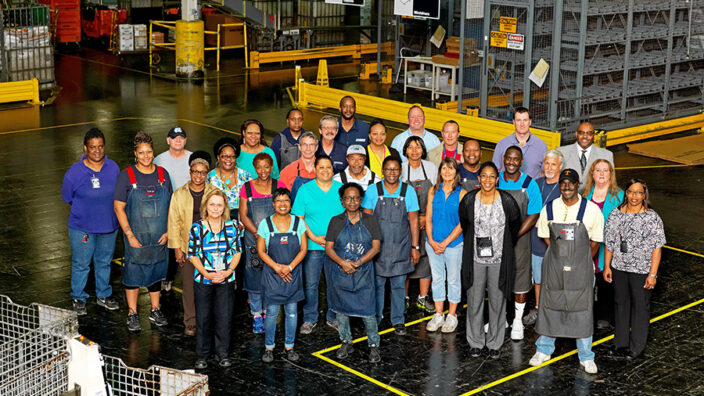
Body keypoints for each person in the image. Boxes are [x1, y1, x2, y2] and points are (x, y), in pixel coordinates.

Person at [529, 169, 604, 374]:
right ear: (560, 184)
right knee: (550, 305)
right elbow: (545, 235)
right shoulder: (550, 208)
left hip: (581, 268)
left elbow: (596, 240)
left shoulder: (591, 210)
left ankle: (586, 356)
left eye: (571, 182)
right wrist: (559, 255)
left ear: (578, 184)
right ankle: (543, 350)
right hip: (554, 267)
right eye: (563, 182)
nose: (567, 186)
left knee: (583, 309)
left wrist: (580, 260)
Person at [460, 162, 522, 358]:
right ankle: (476, 342)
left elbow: (515, 225)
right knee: (475, 299)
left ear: (497, 179)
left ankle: (495, 343)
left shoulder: (507, 200)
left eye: (491, 176)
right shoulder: (469, 200)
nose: (487, 180)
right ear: (479, 179)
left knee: (497, 302)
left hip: (499, 259)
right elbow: (465, 223)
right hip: (475, 259)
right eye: (484, 176)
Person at [114, 131, 173, 332]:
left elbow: (172, 206)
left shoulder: (163, 175)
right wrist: (129, 235)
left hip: (160, 237)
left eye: (149, 152)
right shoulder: (127, 175)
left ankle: (155, 310)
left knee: (156, 272)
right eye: (142, 152)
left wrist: (169, 231)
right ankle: (132, 312)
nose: (146, 156)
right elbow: (118, 208)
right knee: (133, 274)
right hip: (136, 238)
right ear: (135, 154)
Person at [603, 179, 665, 360]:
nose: (634, 196)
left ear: (644, 195)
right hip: (619, 268)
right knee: (620, 305)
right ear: (626, 193)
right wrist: (607, 266)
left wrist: (652, 274)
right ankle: (620, 343)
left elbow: (657, 248)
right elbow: (610, 243)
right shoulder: (615, 214)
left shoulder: (651, 217)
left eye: (639, 193)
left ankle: (636, 347)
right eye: (631, 192)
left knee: (640, 307)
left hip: (641, 270)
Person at [62, 128, 120, 315]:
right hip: (82, 228)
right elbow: (67, 197)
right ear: (85, 148)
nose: (97, 151)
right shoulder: (74, 172)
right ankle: (78, 297)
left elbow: (119, 194)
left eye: (101, 146)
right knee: (81, 263)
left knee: (104, 262)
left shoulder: (113, 168)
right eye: (93, 147)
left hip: (108, 227)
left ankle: (103, 295)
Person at [362, 156, 421, 335]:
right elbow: (366, 220)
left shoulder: (408, 191)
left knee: (398, 285)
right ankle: (376, 318)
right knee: (378, 285)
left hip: (401, 246)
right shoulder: (373, 191)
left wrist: (415, 247)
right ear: (383, 171)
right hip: (377, 248)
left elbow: (413, 221)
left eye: (395, 170)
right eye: (388, 169)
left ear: (400, 172)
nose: (392, 173)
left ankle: (398, 320)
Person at [325, 183, 382, 362]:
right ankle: (346, 341)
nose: (352, 201)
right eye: (348, 198)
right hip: (342, 273)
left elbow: (376, 247)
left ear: (361, 200)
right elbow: (329, 248)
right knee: (341, 312)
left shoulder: (370, 220)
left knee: (369, 312)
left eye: (356, 198)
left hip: (364, 273)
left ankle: (374, 345)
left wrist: (357, 263)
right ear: (342, 201)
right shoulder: (335, 221)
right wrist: (343, 263)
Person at [187, 190, 242, 369]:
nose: (215, 208)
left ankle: (222, 353)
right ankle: (202, 355)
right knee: (203, 318)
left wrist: (228, 272)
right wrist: (206, 273)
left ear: (225, 207)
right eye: (212, 204)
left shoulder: (232, 226)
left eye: (219, 205)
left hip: (226, 279)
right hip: (203, 279)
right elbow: (192, 255)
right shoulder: (197, 227)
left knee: (224, 318)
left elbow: (237, 252)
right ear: (205, 207)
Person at [291, 155, 345, 334]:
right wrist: (313, 237)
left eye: (328, 167)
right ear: (315, 169)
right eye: (321, 167)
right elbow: (298, 218)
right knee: (311, 285)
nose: (325, 170)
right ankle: (310, 318)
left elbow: (347, 216)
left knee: (334, 283)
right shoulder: (305, 190)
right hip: (313, 247)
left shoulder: (340, 189)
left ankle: (333, 316)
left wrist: (334, 238)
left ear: (333, 169)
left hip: (335, 247)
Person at [167, 151, 218, 336]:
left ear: (207, 174)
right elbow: (173, 222)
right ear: (190, 172)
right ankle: (190, 321)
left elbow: (224, 218)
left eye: (202, 172)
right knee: (189, 286)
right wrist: (177, 250)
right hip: (188, 247)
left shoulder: (215, 193)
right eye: (195, 172)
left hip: (211, 247)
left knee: (209, 285)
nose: (198, 176)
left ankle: (207, 319)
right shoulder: (179, 194)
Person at [497, 145, 543, 341]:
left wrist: (514, 234)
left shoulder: (529, 183)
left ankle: (517, 320)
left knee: (520, 277)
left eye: (516, 159)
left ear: (521, 162)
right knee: (496, 277)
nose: (511, 163)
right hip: (495, 238)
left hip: (520, 240)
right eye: (508, 158)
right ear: (503, 159)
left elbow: (534, 215)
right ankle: (499, 319)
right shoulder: (495, 178)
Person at [258, 188, 308, 363]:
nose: (282, 204)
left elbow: (303, 249)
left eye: (286, 200)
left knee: (292, 312)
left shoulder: (298, 223)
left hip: (292, 274)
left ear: (290, 203)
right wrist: (277, 268)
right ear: (273, 204)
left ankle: (289, 346)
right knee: (271, 312)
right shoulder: (265, 224)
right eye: (279, 201)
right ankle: (269, 347)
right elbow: (261, 251)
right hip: (272, 274)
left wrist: (290, 267)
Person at [239, 153, 287, 334]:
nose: (263, 171)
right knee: (254, 278)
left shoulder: (279, 186)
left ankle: (269, 314)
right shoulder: (247, 188)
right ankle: (257, 316)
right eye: (259, 167)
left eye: (266, 166)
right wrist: (259, 235)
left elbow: (284, 210)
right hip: (254, 238)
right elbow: (243, 215)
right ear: (254, 167)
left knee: (272, 277)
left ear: (271, 166)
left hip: (275, 240)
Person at [424, 158, 467, 333]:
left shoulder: (462, 193)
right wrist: (432, 241)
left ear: (456, 172)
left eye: (451, 169)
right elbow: (428, 218)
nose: (447, 172)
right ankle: (439, 314)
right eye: (444, 168)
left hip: (454, 245)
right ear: (440, 171)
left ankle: (452, 315)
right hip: (433, 244)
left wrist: (445, 243)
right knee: (438, 279)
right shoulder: (433, 191)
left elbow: (463, 223)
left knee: (454, 280)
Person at [523, 149, 564, 326]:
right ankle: (539, 308)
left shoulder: (564, 187)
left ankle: (554, 311)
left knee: (554, 279)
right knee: (538, 278)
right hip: (533, 238)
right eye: (546, 163)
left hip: (554, 240)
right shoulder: (535, 184)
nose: (549, 167)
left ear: (560, 166)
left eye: (553, 164)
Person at [583, 159, 624, 330]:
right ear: (592, 173)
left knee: (606, 282)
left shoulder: (619, 195)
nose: (601, 174)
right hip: (589, 244)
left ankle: (606, 315)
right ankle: (587, 315)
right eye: (598, 170)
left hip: (610, 247)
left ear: (611, 174)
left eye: (605, 170)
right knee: (588, 282)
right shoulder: (585, 195)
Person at [401, 136, 438, 312]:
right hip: (406, 220)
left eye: (418, 147)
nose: (414, 151)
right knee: (406, 257)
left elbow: (435, 194)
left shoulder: (430, 168)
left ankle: (423, 297)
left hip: (427, 219)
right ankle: (404, 297)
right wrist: (412, 220)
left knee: (426, 258)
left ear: (423, 150)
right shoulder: (401, 169)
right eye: (410, 147)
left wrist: (426, 218)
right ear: (405, 150)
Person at [155, 127, 193, 292]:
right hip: (167, 208)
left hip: (188, 208)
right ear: (168, 140)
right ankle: (168, 277)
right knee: (170, 245)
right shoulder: (159, 160)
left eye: (181, 137)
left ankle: (192, 276)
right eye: (174, 137)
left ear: (185, 140)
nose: (178, 140)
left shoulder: (192, 158)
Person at [492, 107, 548, 179]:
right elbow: (495, 170)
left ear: (530, 122)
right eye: (518, 120)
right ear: (513, 122)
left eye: (525, 120)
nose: (522, 124)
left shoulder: (541, 146)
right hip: (507, 189)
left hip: (531, 189)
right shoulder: (502, 144)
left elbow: (544, 173)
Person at [557, 122, 614, 188]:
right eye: (581, 133)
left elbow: (611, 182)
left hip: (593, 197)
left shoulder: (606, 155)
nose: (585, 136)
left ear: (594, 135)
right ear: (576, 134)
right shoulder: (561, 152)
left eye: (589, 134)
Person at [207, 137, 251, 221]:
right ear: (218, 157)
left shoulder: (245, 176)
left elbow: (251, 201)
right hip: (217, 222)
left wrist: (242, 223)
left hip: (242, 222)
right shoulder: (211, 177)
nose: (228, 159)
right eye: (224, 156)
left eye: (232, 156)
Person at [279, 131, 318, 200]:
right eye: (304, 145)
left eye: (311, 145)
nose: (308, 148)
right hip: (295, 210)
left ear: (316, 147)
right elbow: (282, 199)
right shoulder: (287, 171)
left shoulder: (324, 170)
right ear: (299, 147)